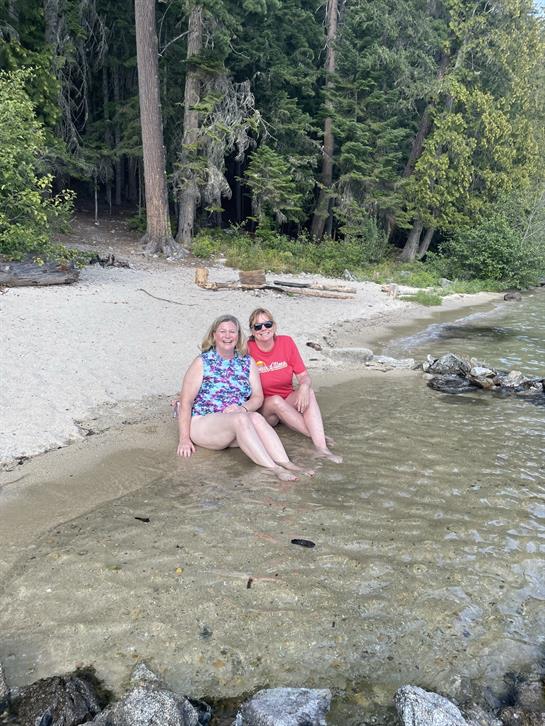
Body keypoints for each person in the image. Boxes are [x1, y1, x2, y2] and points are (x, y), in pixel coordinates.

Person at [176, 314, 312, 481]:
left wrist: (242, 408)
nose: (227, 336)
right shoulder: (202, 362)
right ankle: (274, 469)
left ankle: (288, 464)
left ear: (238, 336)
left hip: (235, 423)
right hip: (203, 424)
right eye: (222, 331)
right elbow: (185, 402)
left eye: (232, 332)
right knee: (241, 419)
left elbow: (257, 397)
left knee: (254, 417)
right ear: (214, 335)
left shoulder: (247, 362)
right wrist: (184, 439)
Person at [247, 308, 342, 463]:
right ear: (252, 331)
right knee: (276, 400)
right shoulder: (247, 348)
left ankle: (322, 449)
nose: (263, 329)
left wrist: (304, 387)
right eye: (258, 326)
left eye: (267, 324)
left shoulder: (286, 342)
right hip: (265, 408)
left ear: (274, 326)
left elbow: (303, 376)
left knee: (308, 392)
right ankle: (318, 437)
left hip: (288, 400)